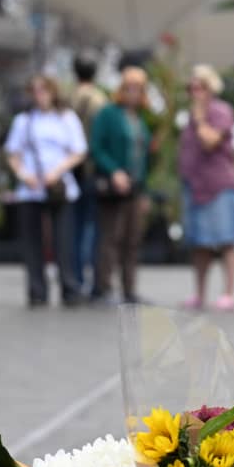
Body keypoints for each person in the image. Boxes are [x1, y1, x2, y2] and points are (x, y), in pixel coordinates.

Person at [4, 75, 87, 307]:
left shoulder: (66, 118)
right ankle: (36, 290)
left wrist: (57, 171)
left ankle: (69, 287)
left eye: (44, 90)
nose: (40, 95)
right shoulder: (24, 121)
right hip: (31, 188)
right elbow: (13, 154)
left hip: (59, 187)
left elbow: (78, 151)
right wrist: (24, 176)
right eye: (36, 91)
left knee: (63, 240)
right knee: (31, 241)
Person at [178, 64, 234, 311]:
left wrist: (199, 119)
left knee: (227, 239)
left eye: (200, 87)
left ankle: (229, 293)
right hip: (195, 187)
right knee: (200, 243)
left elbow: (209, 142)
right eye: (191, 87)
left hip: (218, 187)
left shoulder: (221, 111)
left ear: (211, 88)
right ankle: (199, 293)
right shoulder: (190, 116)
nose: (195, 92)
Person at [89, 66, 152, 305]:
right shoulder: (108, 114)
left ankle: (129, 289)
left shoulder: (140, 119)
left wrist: (144, 190)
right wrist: (114, 170)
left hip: (135, 187)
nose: (133, 92)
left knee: (132, 238)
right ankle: (103, 287)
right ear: (121, 89)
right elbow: (96, 147)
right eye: (129, 87)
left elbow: (143, 157)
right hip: (113, 186)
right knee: (110, 237)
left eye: (138, 88)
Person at [70, 51, 108, 293]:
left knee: (74, 226)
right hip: (92, 168)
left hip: (69, 169)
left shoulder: (67, 96)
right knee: (93, 226)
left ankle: (75, 279)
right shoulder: (99, 99)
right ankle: (93, 282)